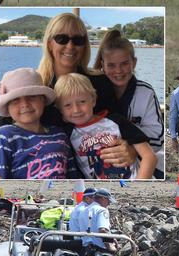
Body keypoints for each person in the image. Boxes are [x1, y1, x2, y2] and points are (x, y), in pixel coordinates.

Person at [35, 12, 135, 169]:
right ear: (49, 43)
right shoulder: (37, 89)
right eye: (62, 39)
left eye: (78, 40)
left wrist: (130, 148)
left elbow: (120, 126)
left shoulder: (101, 83)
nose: (70, 46)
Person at [54, 73, 156, 179]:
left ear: (93, 100)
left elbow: (149, 156)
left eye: (82, 101)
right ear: (61, 110)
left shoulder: (117, 121)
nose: (76, 109)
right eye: (67, 105)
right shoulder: (66, 135)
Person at [93, 30, 165, 179]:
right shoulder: (92, 93)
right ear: (102, 65)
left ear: (134, 62)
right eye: (111, 65)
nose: (118, 71)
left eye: (124, 63)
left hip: (139, 164)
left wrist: (132, 148)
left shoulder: (146, 93)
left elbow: (158, 136)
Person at [0, 68, 77, 179]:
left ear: (43, 100)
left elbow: (73, 176)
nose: (25, 104)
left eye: (32, 97)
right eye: (15, 100)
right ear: (8, 108)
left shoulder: (60, 134)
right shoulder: (3, 136)